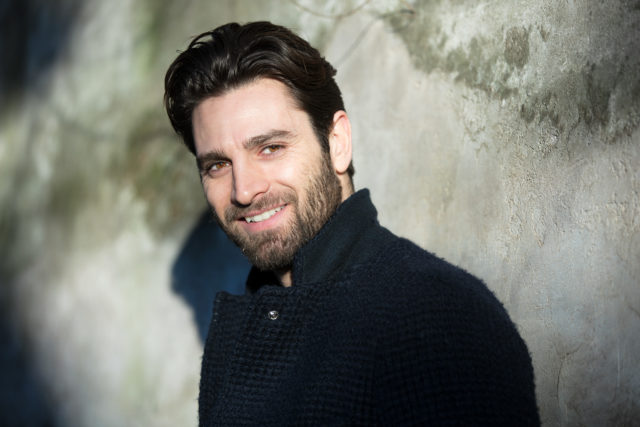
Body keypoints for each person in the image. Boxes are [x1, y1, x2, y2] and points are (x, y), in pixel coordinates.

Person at [164, 21, 539, 426]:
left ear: (337, 143)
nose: (243, 190)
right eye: (217, 165)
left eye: (270, 148)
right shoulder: (240, 333)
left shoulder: (436, 316)